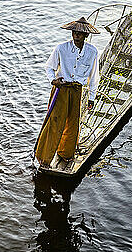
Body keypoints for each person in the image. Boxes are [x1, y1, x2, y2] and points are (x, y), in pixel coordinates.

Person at [35, 17, 100, 168]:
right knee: (54, 123)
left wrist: (91, 98)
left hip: (77, 90)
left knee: (72, 124)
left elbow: (94, 77)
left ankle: (66, 154)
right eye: (74, 32)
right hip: (61, 89)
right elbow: (49, 67)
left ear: (86, 36)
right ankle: (44, 158)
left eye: (80, 33)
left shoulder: (92, 52)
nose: (76, 35)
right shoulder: (61, 48)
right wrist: (53, 80)